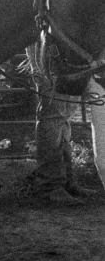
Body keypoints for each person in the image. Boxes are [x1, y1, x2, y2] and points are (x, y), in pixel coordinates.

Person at [25, 52, 99, 205]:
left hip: (63, 56)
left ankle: (65, 182)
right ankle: (49, 187)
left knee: (63, 116)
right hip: (50, 54)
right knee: (53, 115)